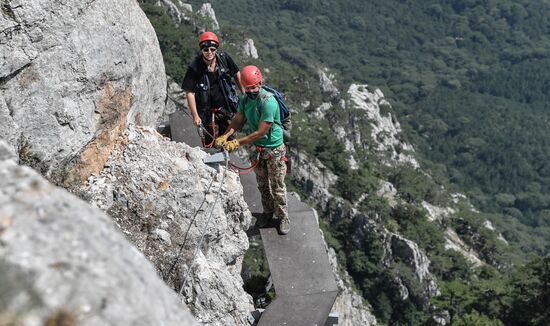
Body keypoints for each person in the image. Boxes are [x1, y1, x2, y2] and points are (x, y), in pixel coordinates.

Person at [215, 65, 290, 235]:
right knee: (262, 184)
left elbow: (261, 132)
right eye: (248, 88)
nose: (251, 91)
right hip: (258, 149)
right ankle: (268, 212)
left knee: (277, 185)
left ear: (260, 83)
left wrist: (236, 143)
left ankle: (283, 217)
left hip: (274, 149)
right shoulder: (246, 100)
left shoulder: (268, 102)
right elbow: (238, 119)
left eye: (254, 87)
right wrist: (226, 135)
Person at [182, 31, 244, 146]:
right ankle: (211, 161)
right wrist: (195, 115)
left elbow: (236, 73)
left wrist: (244, 92)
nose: (209, 52)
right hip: (207, 111)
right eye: (206, 49)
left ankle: (226, 161)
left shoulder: (224, 59)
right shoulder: (195, 67)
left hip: (226, 108)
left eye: (212, 49)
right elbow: (190, 92)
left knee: (228, 139)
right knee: (210, 141)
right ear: (201, 50)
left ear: (216, 49)